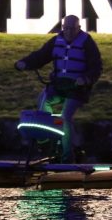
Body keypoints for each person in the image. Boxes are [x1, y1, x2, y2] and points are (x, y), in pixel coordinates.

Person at [15, 15, 103, 163]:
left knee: (65, 117)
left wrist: (86, 79)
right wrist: (24, 63)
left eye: (72, 29)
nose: (68, 32)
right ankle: (46, 145)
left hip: (77, 89)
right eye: (65, 28)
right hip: (57, 86)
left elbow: (96, 67)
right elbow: (40, 56)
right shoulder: (56, 40)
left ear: (79, 28)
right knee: (43, 107)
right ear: (62, 27)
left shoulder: (87, 42)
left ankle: (68, 158)